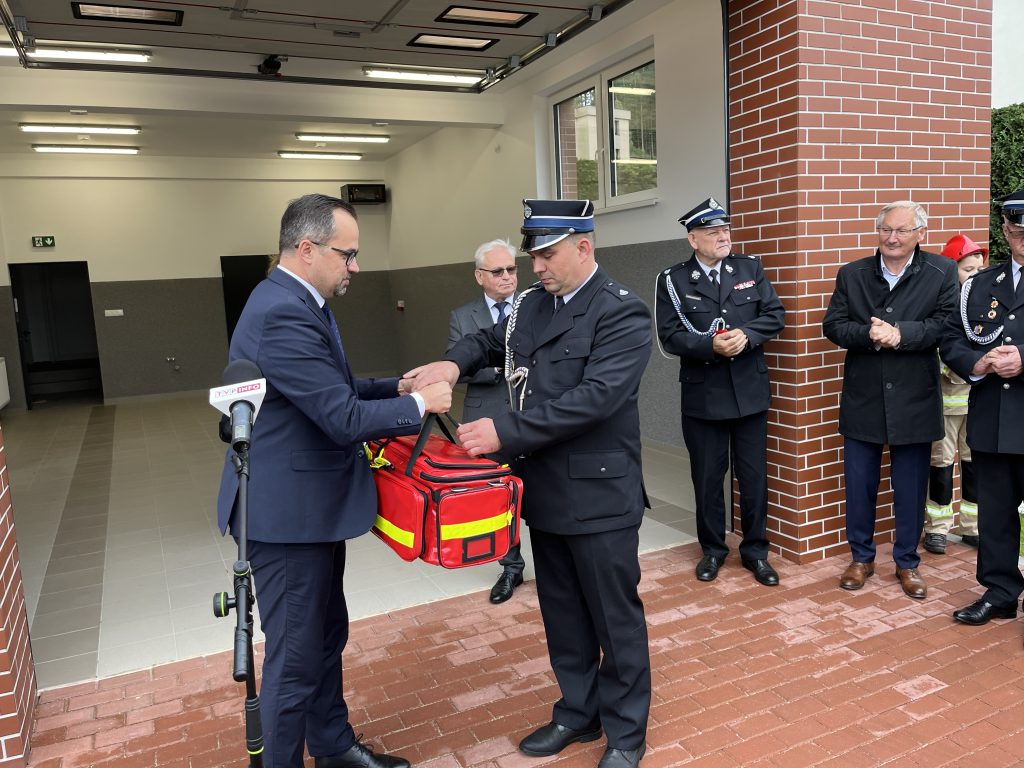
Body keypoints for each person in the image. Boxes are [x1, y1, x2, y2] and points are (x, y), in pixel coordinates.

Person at [407, 199, 652, 768]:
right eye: (533, 256)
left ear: (584, 247)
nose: (536, 267)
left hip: (598, 494)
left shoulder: (621, 311)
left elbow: (595, 399)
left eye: (548, 255)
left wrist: (505, 431)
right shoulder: (532, 305)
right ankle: (577, 712)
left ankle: (625, 733)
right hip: (544, 489)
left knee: (613, 619)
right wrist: (452, 364)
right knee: (562, 612)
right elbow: (489, 341)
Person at [216, 193, 452, 768]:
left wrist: (396, 387)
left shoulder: (297, 299)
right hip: (288, 520)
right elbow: (341, 418)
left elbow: (330, 387)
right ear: (307, 248)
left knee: (324, 638)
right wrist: (419, 405)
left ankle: (333, 745)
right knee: (295, 660)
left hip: (309, 511)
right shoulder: (283, 312)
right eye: (347, 254)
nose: (356, 266)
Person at [823, 200, 958, 599]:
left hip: (915, 397)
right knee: (859, 484)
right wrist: (868, 334)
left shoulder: (941, 271)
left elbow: (947, 325)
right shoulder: (852, 273)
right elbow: (833, 325)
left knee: (911, 487)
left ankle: (907, 563)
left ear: (921, 233)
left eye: (901, 230)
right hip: (863, 397)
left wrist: (901, 334)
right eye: (885, 230)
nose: (892, 238)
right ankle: (861, 558)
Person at [654, 197, 785, 586]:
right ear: (693, 239)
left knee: (753, 478)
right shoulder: (673, 280)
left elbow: (774, 315)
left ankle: (756, 552)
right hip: (704, 396)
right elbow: (669, 337)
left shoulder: (748, 268)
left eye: (725, 230)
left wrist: (747, 335)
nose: (723, 237)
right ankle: (712, 550)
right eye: (713, 232)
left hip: (749, 392)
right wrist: (709, 346)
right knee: (708, 478)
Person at [940, 189, 1024, 627]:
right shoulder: (979, 284)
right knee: (995, 513)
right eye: (1017, 229)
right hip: (992, 418)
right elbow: (951, 337)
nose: (1023, 237)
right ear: (1006, 230)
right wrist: (975, 362)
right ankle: (1001, 592)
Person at [446, 238, 525, 604]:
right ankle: (511, 567)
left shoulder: (534, 307)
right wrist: (498, 368)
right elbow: (457, 366)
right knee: (498, 496)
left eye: (512, 269)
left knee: (539, 489)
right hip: (485, 416)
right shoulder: (463, 316)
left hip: (529, 415)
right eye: (498, 271)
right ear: (480, 276)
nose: (507, 276)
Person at [922, 234, 987, 555]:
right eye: (968, 269)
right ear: (952, 270)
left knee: (974, 467)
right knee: (941, 467)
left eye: (979, 269)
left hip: (977, 404)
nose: (975, 275)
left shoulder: (984, 303)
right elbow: (936, 348)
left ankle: (972, 527)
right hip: (946, 406)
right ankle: (937, 528)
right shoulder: (945, 306)